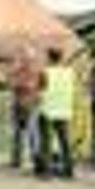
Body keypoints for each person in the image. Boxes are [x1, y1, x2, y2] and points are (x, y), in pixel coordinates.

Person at [38, 47, 77, 180]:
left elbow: (41, 90)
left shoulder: (45, 72)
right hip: (64, 109)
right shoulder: (69, 73)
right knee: (65, 142)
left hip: (48, 109)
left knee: (46, 142)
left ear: (49, 58)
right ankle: (69, 169)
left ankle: (46, 172)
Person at [7, 47, 45, 171]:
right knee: (18, 133)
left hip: (31, 104)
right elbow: (12, 84)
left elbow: (43, 85)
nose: (27, 61)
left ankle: (35, 159)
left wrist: (24, 87)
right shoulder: (19, 71)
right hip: (20, 104)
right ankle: (16, 159)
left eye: (29, 59)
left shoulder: (37, 71)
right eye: (25, 59)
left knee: (32, 132)